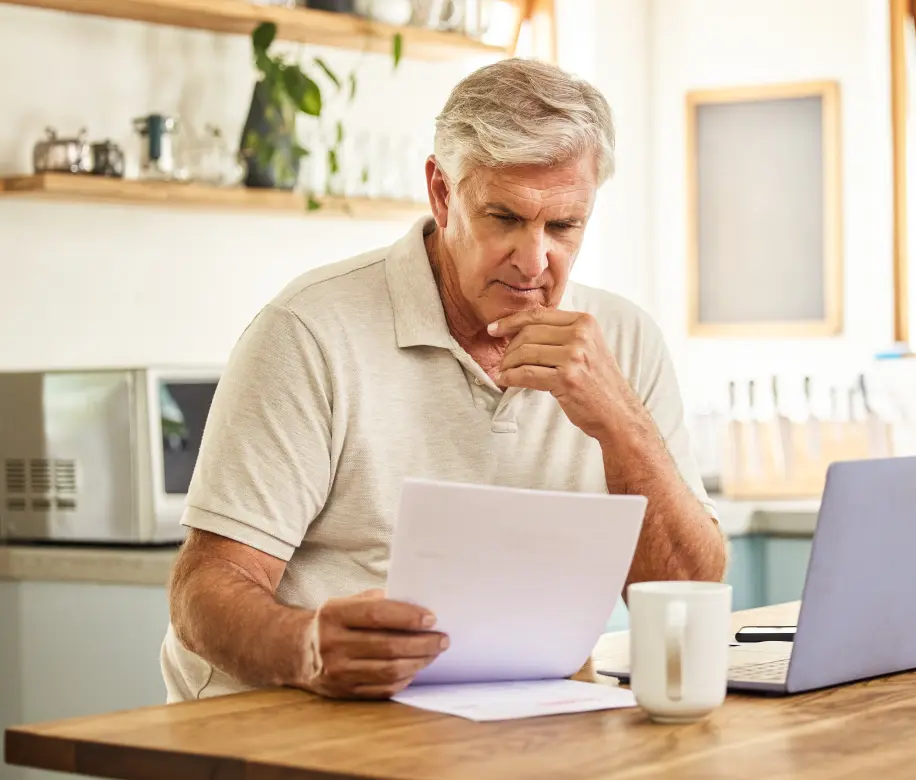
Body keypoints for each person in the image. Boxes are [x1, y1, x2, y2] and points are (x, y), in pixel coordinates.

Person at [161, 58, 727, 703]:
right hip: (288, 713)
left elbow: (690, 591)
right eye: (504, 217)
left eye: (564, 226)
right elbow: (203, 590)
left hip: (510, 716)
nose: (534, 260)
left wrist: (621, 423)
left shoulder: (623, 339)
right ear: (441, 192)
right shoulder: (309, 329)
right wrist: (306, 647)